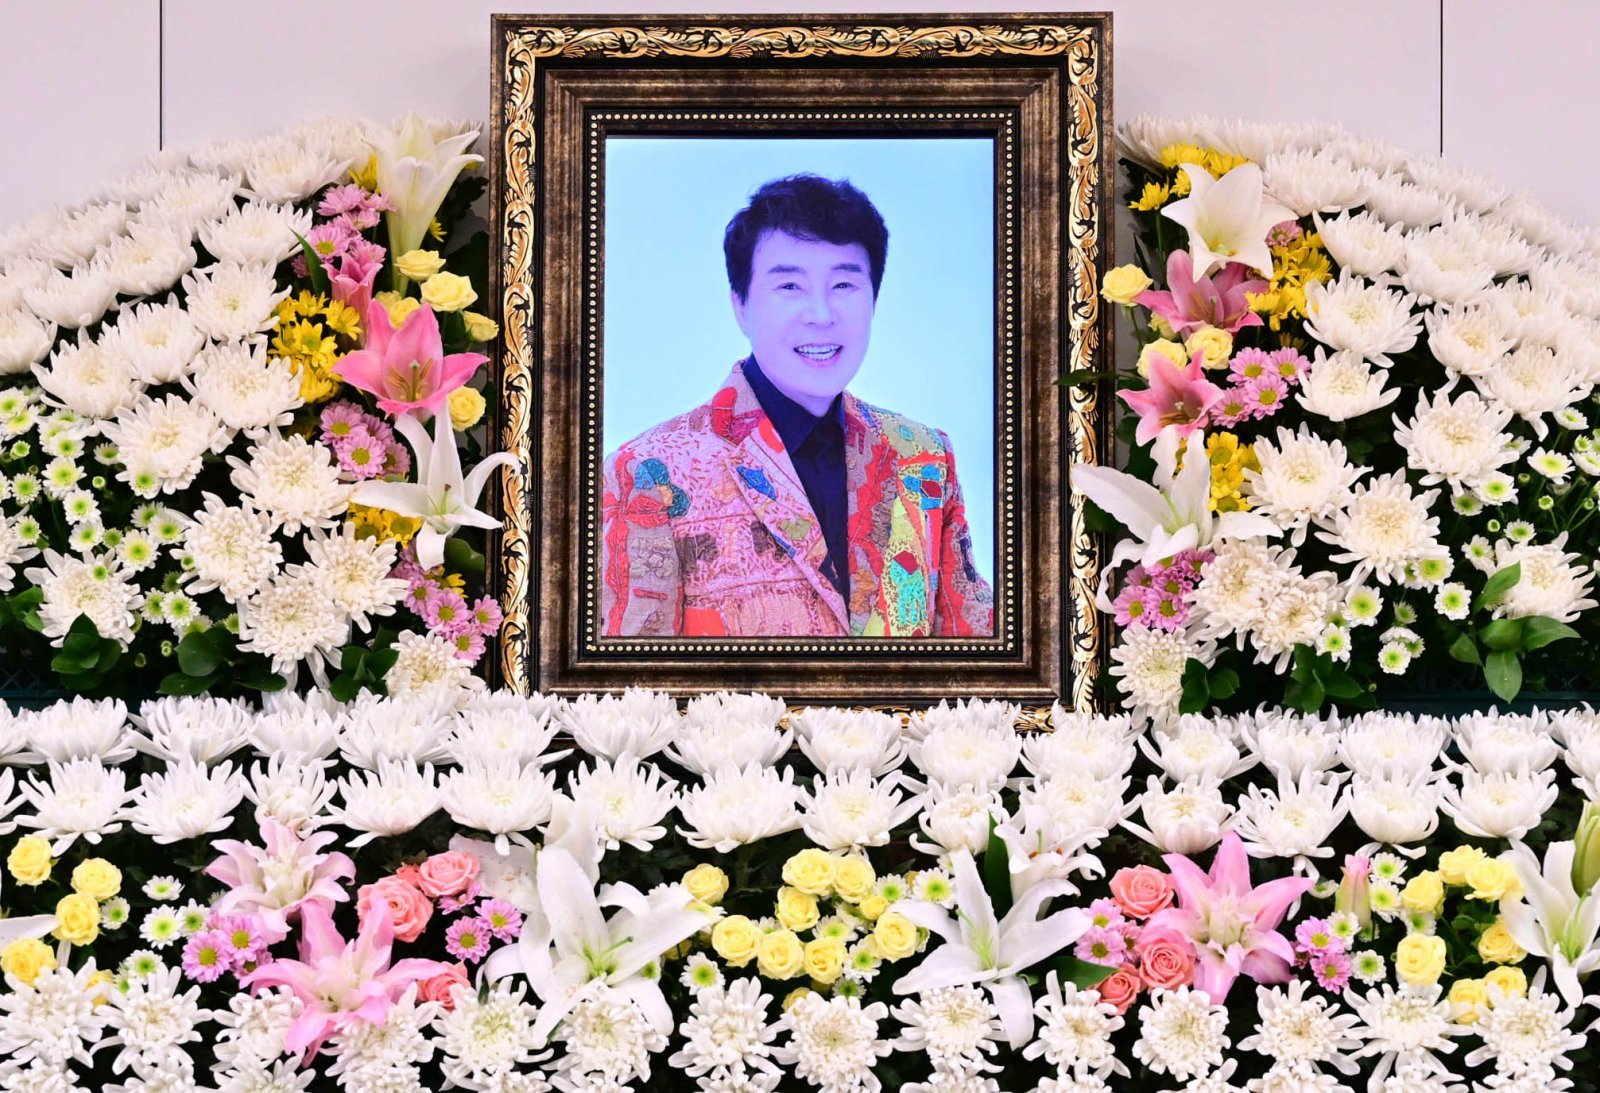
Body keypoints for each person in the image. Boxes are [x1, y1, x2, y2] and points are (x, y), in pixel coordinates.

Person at [601, 174, 993, 638]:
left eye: (844, 285)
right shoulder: (649, 472)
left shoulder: (924, 456)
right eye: (789, 287)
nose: (821, 315)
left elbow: (975, 649)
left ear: (874, 300)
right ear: (740, 305)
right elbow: (630, 677)